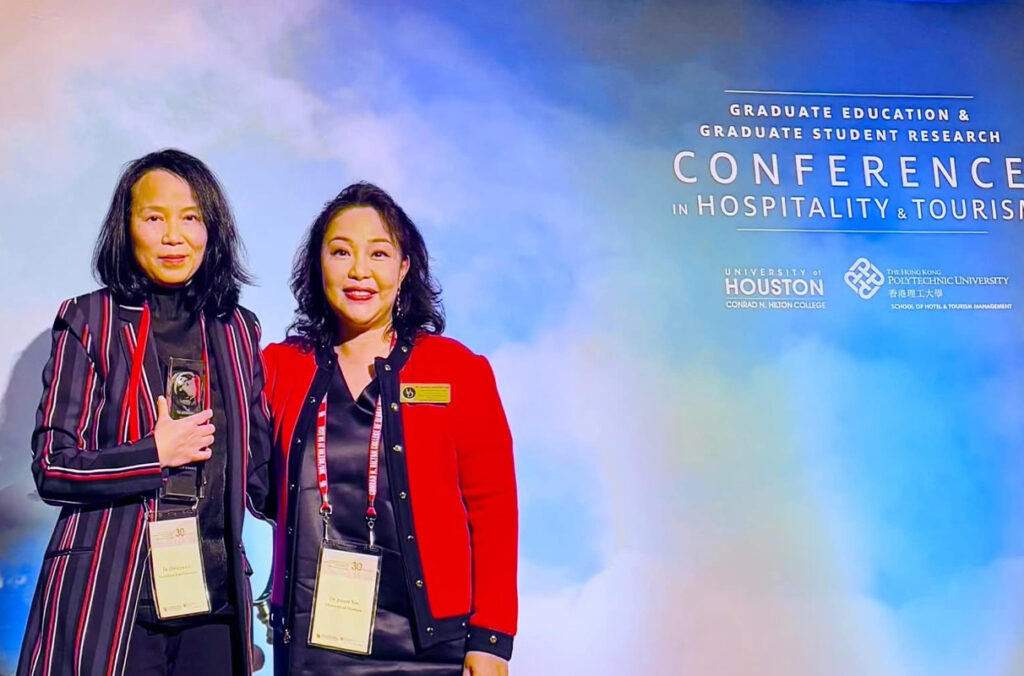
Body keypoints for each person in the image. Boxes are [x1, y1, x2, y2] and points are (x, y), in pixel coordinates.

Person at [17, 149, 272, 676]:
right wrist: (154, 454)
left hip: (213, 606)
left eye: (191, 217)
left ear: (213, 229)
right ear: (126, 227)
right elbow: (53, 466)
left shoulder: (237, 329)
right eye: (154, 217)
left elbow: (260, 470)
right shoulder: (91, 320)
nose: (173, 235)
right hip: (112, 599)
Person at [260, 182, 517, 675]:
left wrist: (492, 637)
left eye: (378, 253)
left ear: (403, 269)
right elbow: (245, 480)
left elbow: (494, 508)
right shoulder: (278, 368)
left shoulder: (457, 370)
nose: (359, 271)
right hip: (315, 639)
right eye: (341, 252)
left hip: (434, 646)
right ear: (319, 264)